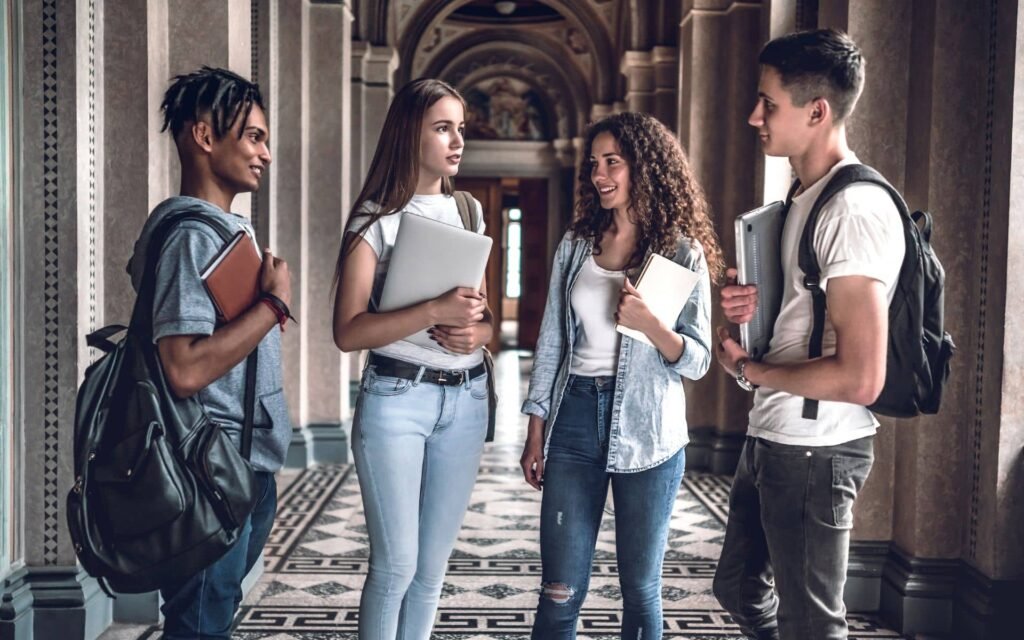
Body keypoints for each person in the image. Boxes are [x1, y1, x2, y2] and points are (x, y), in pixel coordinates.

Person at [712, 29, 905, 640]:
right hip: (774, 430)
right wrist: (754, 311)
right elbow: (807, 314)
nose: (753, 116)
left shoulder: (854, 209)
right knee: (738, 584)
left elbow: (861, 376)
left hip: (816, 448)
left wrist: (751, 371)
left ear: (816, 111)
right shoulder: (801, 195)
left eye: (768, 104)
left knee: (812, 624)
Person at [519, 111, 723, 640]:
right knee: (559, 590)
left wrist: (651, 325)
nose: (600, 175)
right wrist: (535, 427)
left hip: (650, 429)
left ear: (646, 167)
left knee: (640, 591)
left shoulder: (681, 251)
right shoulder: (576, 244)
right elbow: (552, 342)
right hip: (573, 420)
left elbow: (697, 360)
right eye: (594, 164)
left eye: (613, 162)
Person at [126, 66, 292, 638]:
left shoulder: (225, 230)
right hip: (209, 469)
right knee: (198, 625)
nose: (265, 153)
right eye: (253, 136)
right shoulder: (191, 237)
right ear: (203, 136)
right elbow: (184, 367)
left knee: (210, 617)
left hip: (241, 464)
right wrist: (271, 308)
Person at [331, 78, 492, 640]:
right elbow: (348, 332)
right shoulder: (375, 220)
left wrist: (477, 335)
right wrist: (431, 311)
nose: (457, 141)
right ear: (409, 133)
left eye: (461, 129)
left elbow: (482, 315)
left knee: (430, 572)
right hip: (396, 400)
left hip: (467, 399)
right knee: (396, 566)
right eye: (443, 127)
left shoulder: (469, 212)